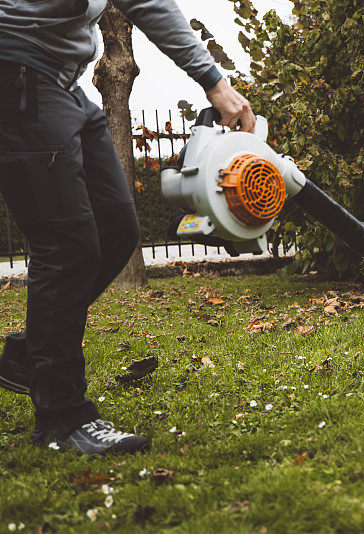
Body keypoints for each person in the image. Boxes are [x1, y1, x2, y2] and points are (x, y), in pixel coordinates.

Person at [0, 0, 256, 455]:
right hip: (17, 72)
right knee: (66, 245)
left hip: (65, 82)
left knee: (115, 229)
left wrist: (213, 80)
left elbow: (150, 4)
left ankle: (31, 352)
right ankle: (61, 414)